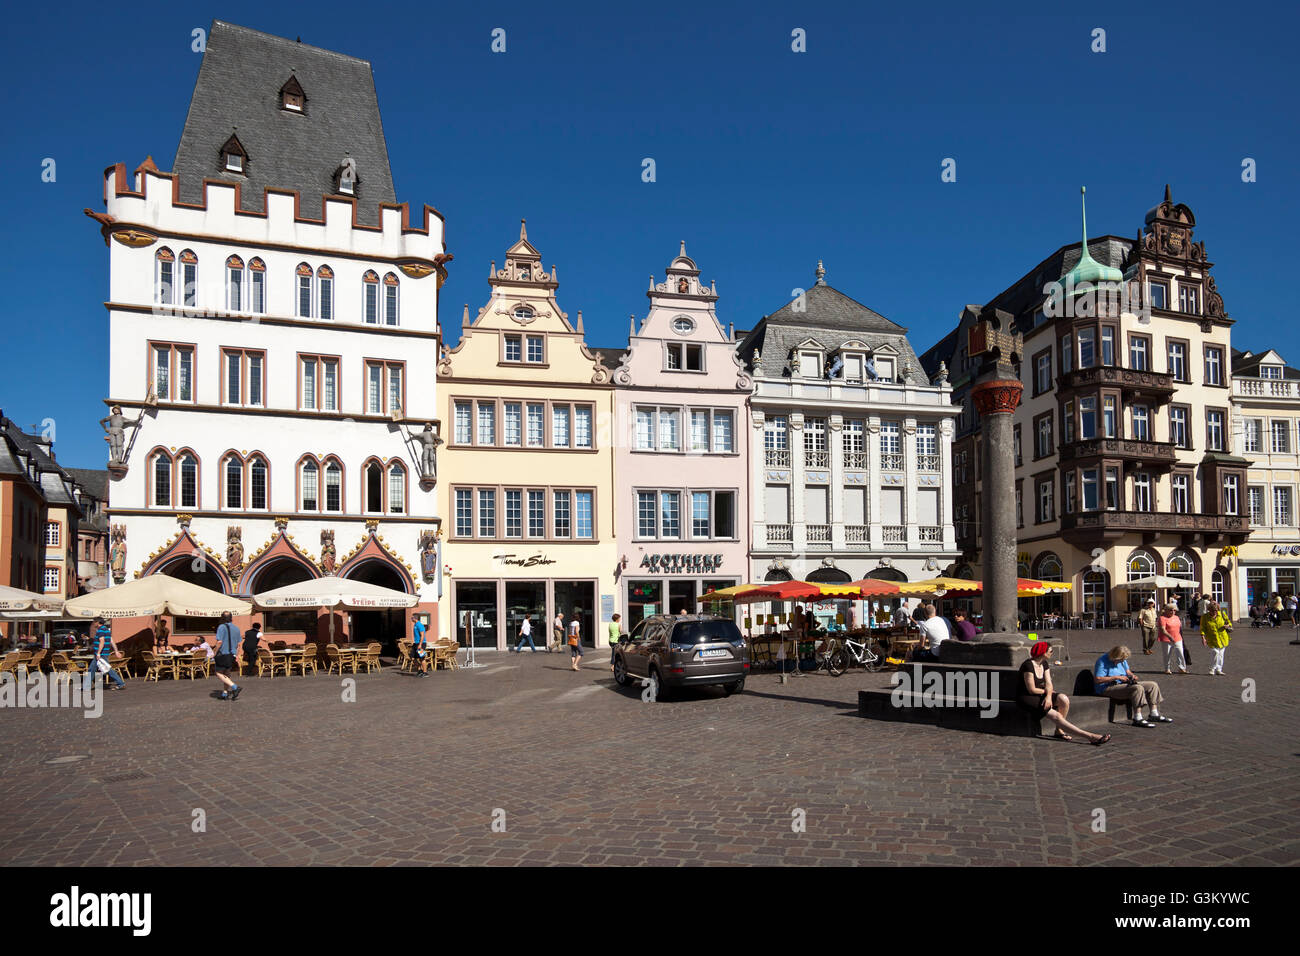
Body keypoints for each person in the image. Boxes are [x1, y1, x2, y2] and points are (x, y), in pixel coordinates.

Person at [1018, 641, 1110, 745]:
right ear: (1043, 652)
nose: (1052, 653)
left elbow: (1049, 683)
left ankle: (1059, 730)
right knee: (1056, 715)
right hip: (1028, 697)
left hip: (1042, 693)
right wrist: (1047, 692)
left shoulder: (1044, 663)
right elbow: (1032, 689)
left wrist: (1048, 696)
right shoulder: (1028, 665)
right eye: (1050, 651)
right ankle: (1090, 736)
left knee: (1063, 699)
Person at [1092, 645, 1171, 727]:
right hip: (1107, 687)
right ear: (1115, 656)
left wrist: (1132, 676)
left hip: (1122, 684)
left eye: (1123, 660)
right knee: (1137, 688)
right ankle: (1137, 718)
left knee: (1152, 685)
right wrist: (1116, 677)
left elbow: (1128, 671)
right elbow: (1098, 680)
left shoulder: (1122, 660)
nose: (1122, 661)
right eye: (1120, 660)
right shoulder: (1102, 661)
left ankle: (1154, 714)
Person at [85, 617, 125, 692]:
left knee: (108, 670)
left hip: (101, 654)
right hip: (103, 653)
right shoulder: (106, 629)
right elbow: (111, 640)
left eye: (94, 622)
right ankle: (86, 686)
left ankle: (120, 683)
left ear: (98, 622)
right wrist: (116, 651)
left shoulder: (100, 630)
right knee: (92, 669)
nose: (93, 623)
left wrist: (98, 653)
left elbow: (102, 642)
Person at [213, 612, 243, 700]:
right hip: (232, 654)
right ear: (231, 618)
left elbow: (219, 642)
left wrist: (214, 652)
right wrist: (236, 655)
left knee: (218, 673)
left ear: (222, 618)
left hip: (223, 653)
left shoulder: (221, 627)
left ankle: (235, 687)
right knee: (227, 673)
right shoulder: (236, 628)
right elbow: (239, 644)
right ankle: (225, 693)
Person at [1200, 600, 1233, 676]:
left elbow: (1229, 622)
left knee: (1221, 654)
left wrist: (1227, 625)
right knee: (1215, 652)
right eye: (1212, 610)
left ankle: (1219, 669)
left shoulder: (1222, 614)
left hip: (1223, 638)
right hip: (1212, 639)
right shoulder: (1204, 617)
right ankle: (1212, 669)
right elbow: (1202, 628)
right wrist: (1203, 637)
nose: (1215, 612)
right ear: (1209, 610)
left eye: (1216, 610)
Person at [1156, 602, 1186, 675]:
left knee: (1180, 653)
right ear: (1166, 610)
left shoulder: (1176, 617)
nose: (1173, 612)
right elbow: (1163, 629)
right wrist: (1170, 636)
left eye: (1174, 610)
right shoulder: (1162, 618)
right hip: (1166, 638)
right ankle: (1167, 669)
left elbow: (1179, 628)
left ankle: (1182, 668)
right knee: (1167, 654)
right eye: (1171, 610)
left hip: (1177, 638)